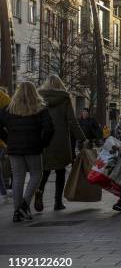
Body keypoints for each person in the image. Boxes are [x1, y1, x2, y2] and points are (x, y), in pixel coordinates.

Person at [0, 82, 54, 222]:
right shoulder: (40, 109)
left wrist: (7, 140)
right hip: (33, 147)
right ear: (34, 92)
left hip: (14, 148)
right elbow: (49, 128)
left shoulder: (8, 109)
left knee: (18, 178)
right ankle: (24, 206)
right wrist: (43, 143)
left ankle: (17, 212)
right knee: (37, 174)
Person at [35, 75, 86, 212]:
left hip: (43, 139)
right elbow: (71, 120)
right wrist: (82, 138)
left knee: (44, 170)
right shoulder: (64, 98)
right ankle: (58, 202)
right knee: (60, 170)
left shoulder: (38, 97)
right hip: (60, 139)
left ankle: (39, 191)